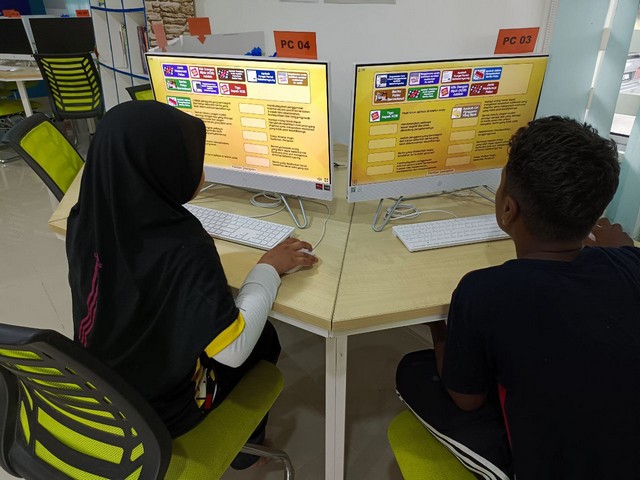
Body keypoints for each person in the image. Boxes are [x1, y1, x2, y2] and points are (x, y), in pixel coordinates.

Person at [66, 101, 317, 468]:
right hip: (159, 417)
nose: (201, 171)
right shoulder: (181, 244)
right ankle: (246, 451)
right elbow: (232, 351)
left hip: (99, 391)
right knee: (264, 338)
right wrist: (267, 269)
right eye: (193, 161)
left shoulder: (84, 218)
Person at [395, 116, 640, 480]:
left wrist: (440, 328)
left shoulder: (483, 291)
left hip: (547, 468)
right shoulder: (630, 265)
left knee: (413, 370)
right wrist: (623, 249)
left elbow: (467, 400)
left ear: (508, 210)